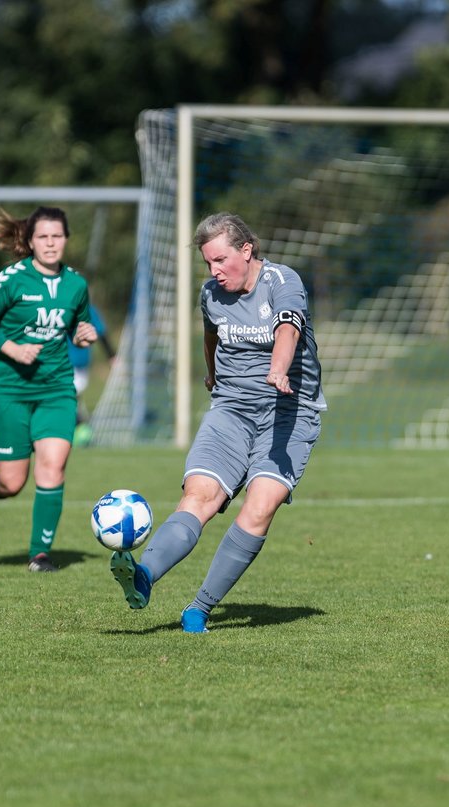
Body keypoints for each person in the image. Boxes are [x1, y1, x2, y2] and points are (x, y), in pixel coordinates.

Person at [107, 212, 326, 632]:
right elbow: (212, 335)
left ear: (247, 250)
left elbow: (288, 331)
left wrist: (279, 369)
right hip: (230, 410)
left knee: (260, 507)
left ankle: (199, 607)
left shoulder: (283, 282)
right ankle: (142, 575)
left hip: (289, 415)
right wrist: (211, 372)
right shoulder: (211, 295)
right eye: (208, 263)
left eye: (221, 260)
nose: (215, 270)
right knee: (199, 497)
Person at [0, 206, 100, 573]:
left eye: (57, 236)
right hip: (8, 390)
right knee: (12, 481)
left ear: (66, 240)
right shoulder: (11, 279)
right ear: (30, 241)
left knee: (53, 467)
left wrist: (84, 335)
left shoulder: (76, 284)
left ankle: (39, 554)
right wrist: (12, 349)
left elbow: (80, 326)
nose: (50, 243)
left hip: (56, 388)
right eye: (43, 236)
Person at [67, 302, 116, 447]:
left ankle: (81, 429)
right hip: (63, 363)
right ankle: (80, 429)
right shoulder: (56, 305)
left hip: (77, 364)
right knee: (70, 398)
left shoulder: (87, 309)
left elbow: (101, 332)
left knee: (70, 398)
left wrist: (111, 355)